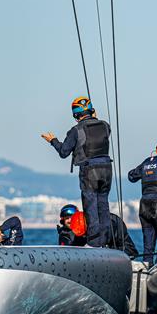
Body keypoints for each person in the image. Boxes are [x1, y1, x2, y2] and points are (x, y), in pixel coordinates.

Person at [42, 97, 112, 248]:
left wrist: (53, 140)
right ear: (92, 111)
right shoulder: (105, 126)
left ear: (75, 115)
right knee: (103, 205)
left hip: (89, 171)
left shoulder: (76, 130)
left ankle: (94, 244)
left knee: (91, 206)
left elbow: (64, 152)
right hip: (106, 169)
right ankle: (106, 241)